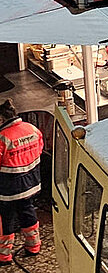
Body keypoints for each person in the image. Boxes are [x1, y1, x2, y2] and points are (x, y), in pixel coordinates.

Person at [0, 100, 42, 265]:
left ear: (1, 119)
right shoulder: (32, 129)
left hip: (8, 189)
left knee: (5, 220)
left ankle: (4, 256)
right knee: (27, 212)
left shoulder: (2, 138)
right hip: (31, 183)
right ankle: (33, 246)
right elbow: (39, 149)